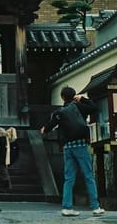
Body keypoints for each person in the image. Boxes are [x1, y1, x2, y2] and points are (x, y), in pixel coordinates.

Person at [41, 86, 106, 217]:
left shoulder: (60, 112)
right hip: (81, 145)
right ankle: (95, 206)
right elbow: (94, 108)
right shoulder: (79, 106)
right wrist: (83, 99)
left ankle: (67, 207)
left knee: (69, 178)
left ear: (62, 97)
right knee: (88, 175)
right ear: (74, 96)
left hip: (67, 148)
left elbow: (48, 127)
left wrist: (44, 129)